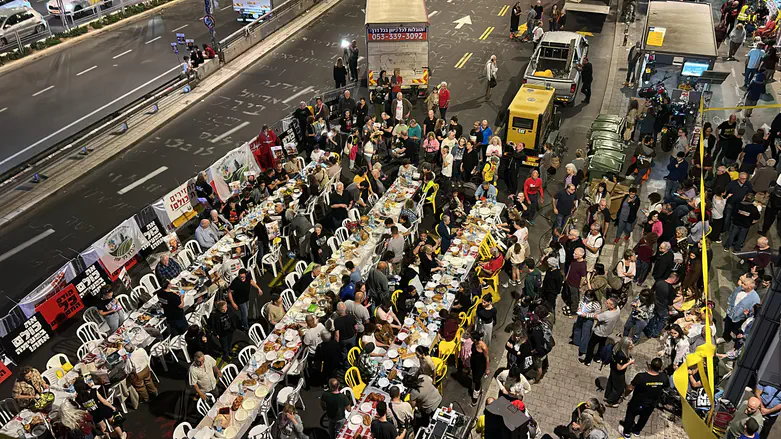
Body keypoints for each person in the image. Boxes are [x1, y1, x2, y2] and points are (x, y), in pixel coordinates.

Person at [620, 358, 668, 438]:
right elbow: (665, 388)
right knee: (644, 418)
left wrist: (624, 395)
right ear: (660, 368)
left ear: (650, 366)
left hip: (637, 403)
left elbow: (630, 388)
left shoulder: (641, 377)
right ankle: (637, 431)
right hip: (651, 404)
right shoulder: (664, 378)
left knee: (630, 416)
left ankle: (627, 433)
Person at [718, 276, 760, 343]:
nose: (741, 284)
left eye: (744, 284)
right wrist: (729, 303)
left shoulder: (755, 299)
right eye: (742, 283)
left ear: (749, 287)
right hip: (730, 313)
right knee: (727, 326)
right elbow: (733, 295)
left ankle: (736, 341)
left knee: (737, 330)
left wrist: (746, 315)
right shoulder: (740, 288)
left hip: (740, 318)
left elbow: (754, 312)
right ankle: (726, 338)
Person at [581, 298, 620, 366]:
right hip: (608, 331)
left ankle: (587, 361)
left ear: (612, 306)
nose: (605, 303)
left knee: (591, 345)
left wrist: (585, 314)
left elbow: (596, 316)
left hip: (599, 332)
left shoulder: (607, 315)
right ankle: (597, 358)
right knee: (602, 344)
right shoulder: (618, 310)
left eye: (607, 303)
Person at [563, 248, 587, 316]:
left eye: (575, 254)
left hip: (574, 284)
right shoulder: (574, 260)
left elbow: (583, 277)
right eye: (574, 253)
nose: (573, 254)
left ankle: (573, 310)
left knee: (574, 298)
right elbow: (570, 268)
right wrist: (567, 277)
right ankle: (569, 304)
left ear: (581, 255)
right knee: (569, 294)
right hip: (569, 281)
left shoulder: (582, 265)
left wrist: (580, 285)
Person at [469, 330, 490, 405]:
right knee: (474, 378)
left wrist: (487, 369)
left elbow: (487, 358)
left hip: (480, 365)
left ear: (475, 339)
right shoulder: (474, 344)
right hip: (474, 362)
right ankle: (477, 389)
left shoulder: (483, 347)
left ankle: (475, 396)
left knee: (477, 380)